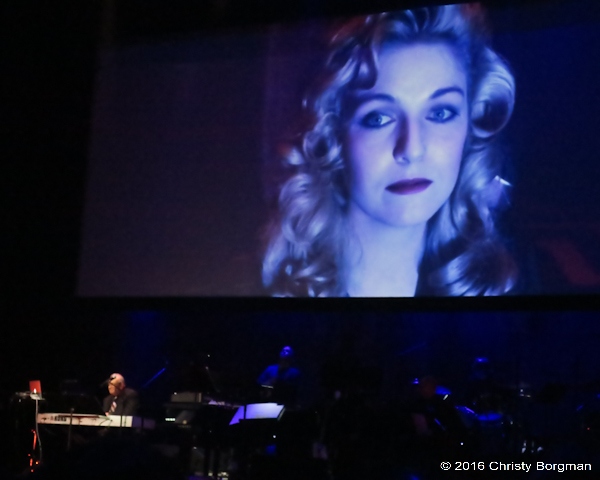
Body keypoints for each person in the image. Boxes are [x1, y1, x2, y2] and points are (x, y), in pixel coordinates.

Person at [262, 4, 517, 297]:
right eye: (378, 118)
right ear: (331, 135)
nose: (412, 148)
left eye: (440, 113)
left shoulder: (507, 286)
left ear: (471, 124)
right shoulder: (258, 291)